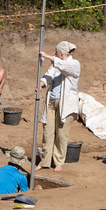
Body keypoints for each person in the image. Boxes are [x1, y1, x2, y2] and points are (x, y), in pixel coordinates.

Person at [37, 41, 80, 172]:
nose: (54, 54)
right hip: (51, 102)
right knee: (47, 133)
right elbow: (49, 74)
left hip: (66, 105)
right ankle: (44, 161)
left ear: (61, 53)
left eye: (56, 52)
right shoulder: (56, 64)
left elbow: (64, 67)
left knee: (61, 135)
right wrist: (42, 83)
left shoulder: (74, 64)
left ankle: (59, 162)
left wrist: (48, 56)